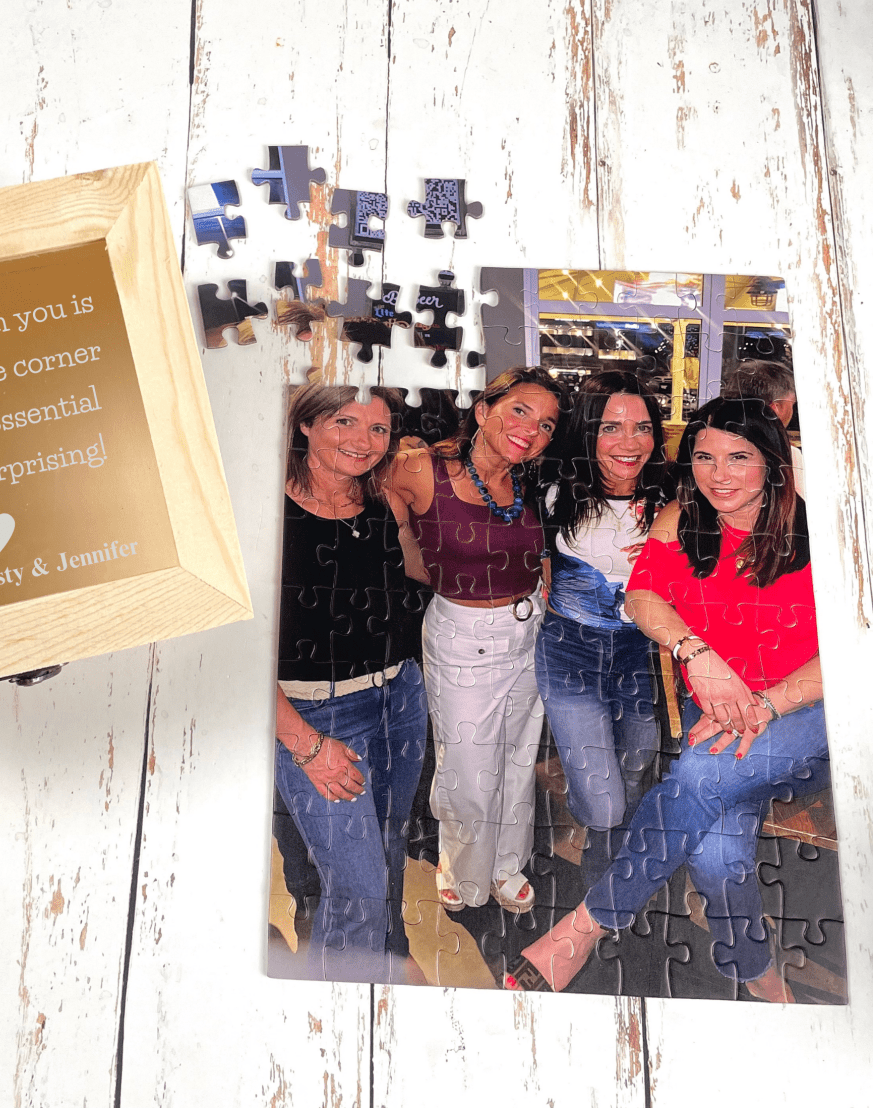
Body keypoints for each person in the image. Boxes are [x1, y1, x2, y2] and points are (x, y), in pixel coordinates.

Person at [517, 398, 827, 1002]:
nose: (719, 474)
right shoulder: (683, 518)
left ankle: (589, 922)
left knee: (699, 773)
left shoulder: (823, 532)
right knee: (714, 858)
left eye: (739, 457)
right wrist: (696, 653)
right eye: (705, 457)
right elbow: (641, 597)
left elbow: (852, 651)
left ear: (773, 461)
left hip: (807, 716)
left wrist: (767, 704)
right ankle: (755, 969)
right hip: (714, 715)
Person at [385, 366, 567, 914]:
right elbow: (377, 489)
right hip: (462, 635)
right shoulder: (421, 469)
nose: (532, 430)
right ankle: (461, 867)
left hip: (528, 629)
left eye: (546, 424)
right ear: (484, 410)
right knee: (467, 766)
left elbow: (541, 553)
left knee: (517, 758)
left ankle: (507, 864)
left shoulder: (534, 480)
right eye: (520, 411)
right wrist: (419, 558)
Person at [274, 384, 429, 983]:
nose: (363, 442)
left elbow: (411, 575)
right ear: (305, 424)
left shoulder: (378, 500)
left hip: (400, 698)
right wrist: (305, 744)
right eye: (345, 422)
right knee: (357, 883)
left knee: (388, 848)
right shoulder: (266, 513)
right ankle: (335, 1010)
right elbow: (237, 655)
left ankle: (388, 956)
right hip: (317, 715)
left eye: (379, 429)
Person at [535, 372, 666, 892]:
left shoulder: (675, 499)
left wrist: (670, 553)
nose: (629, 442)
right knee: (605, 801)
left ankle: (616, 867)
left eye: (642, 427)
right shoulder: (552, 492)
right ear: (588, 431)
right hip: (570, 655)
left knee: (636, 768)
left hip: (640, 657)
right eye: (611, 427)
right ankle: (600, 886)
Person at [721, 358, 804, 495]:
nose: (793, 411)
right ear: (777, 408)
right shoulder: (787, 456)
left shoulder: (706, 445)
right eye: (792, 404)